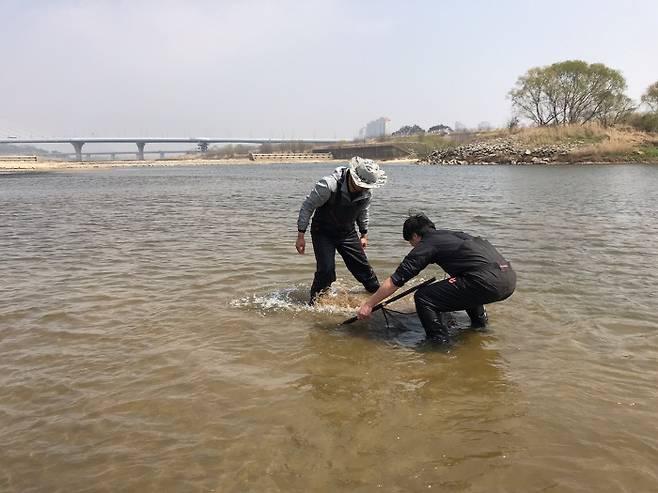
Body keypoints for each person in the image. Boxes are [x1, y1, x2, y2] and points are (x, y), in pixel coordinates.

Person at [356, 213, 516, 343]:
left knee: (424, 297)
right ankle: (480, 327)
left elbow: (396, 280)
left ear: (415, 236)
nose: (413, 247)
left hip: (485, 281)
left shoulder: (427, 244)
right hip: (508, 278)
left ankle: (438, 343)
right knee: (465, 281)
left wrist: (369, 305)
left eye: (411, 243)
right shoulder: (456, 235)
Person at [296, 156, 387, 303]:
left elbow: (363, 212)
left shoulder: (366, 191)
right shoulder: (328, 185)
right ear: (353, 176)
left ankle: (378, 297)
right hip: (323, 232)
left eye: (367, 186)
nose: (364, 188)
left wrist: (364, 234)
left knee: (363, 268)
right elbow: (308, 206)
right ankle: (315, 303)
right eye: (362, 185)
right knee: (326, 270)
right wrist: (301, 234)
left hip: (347, 232)